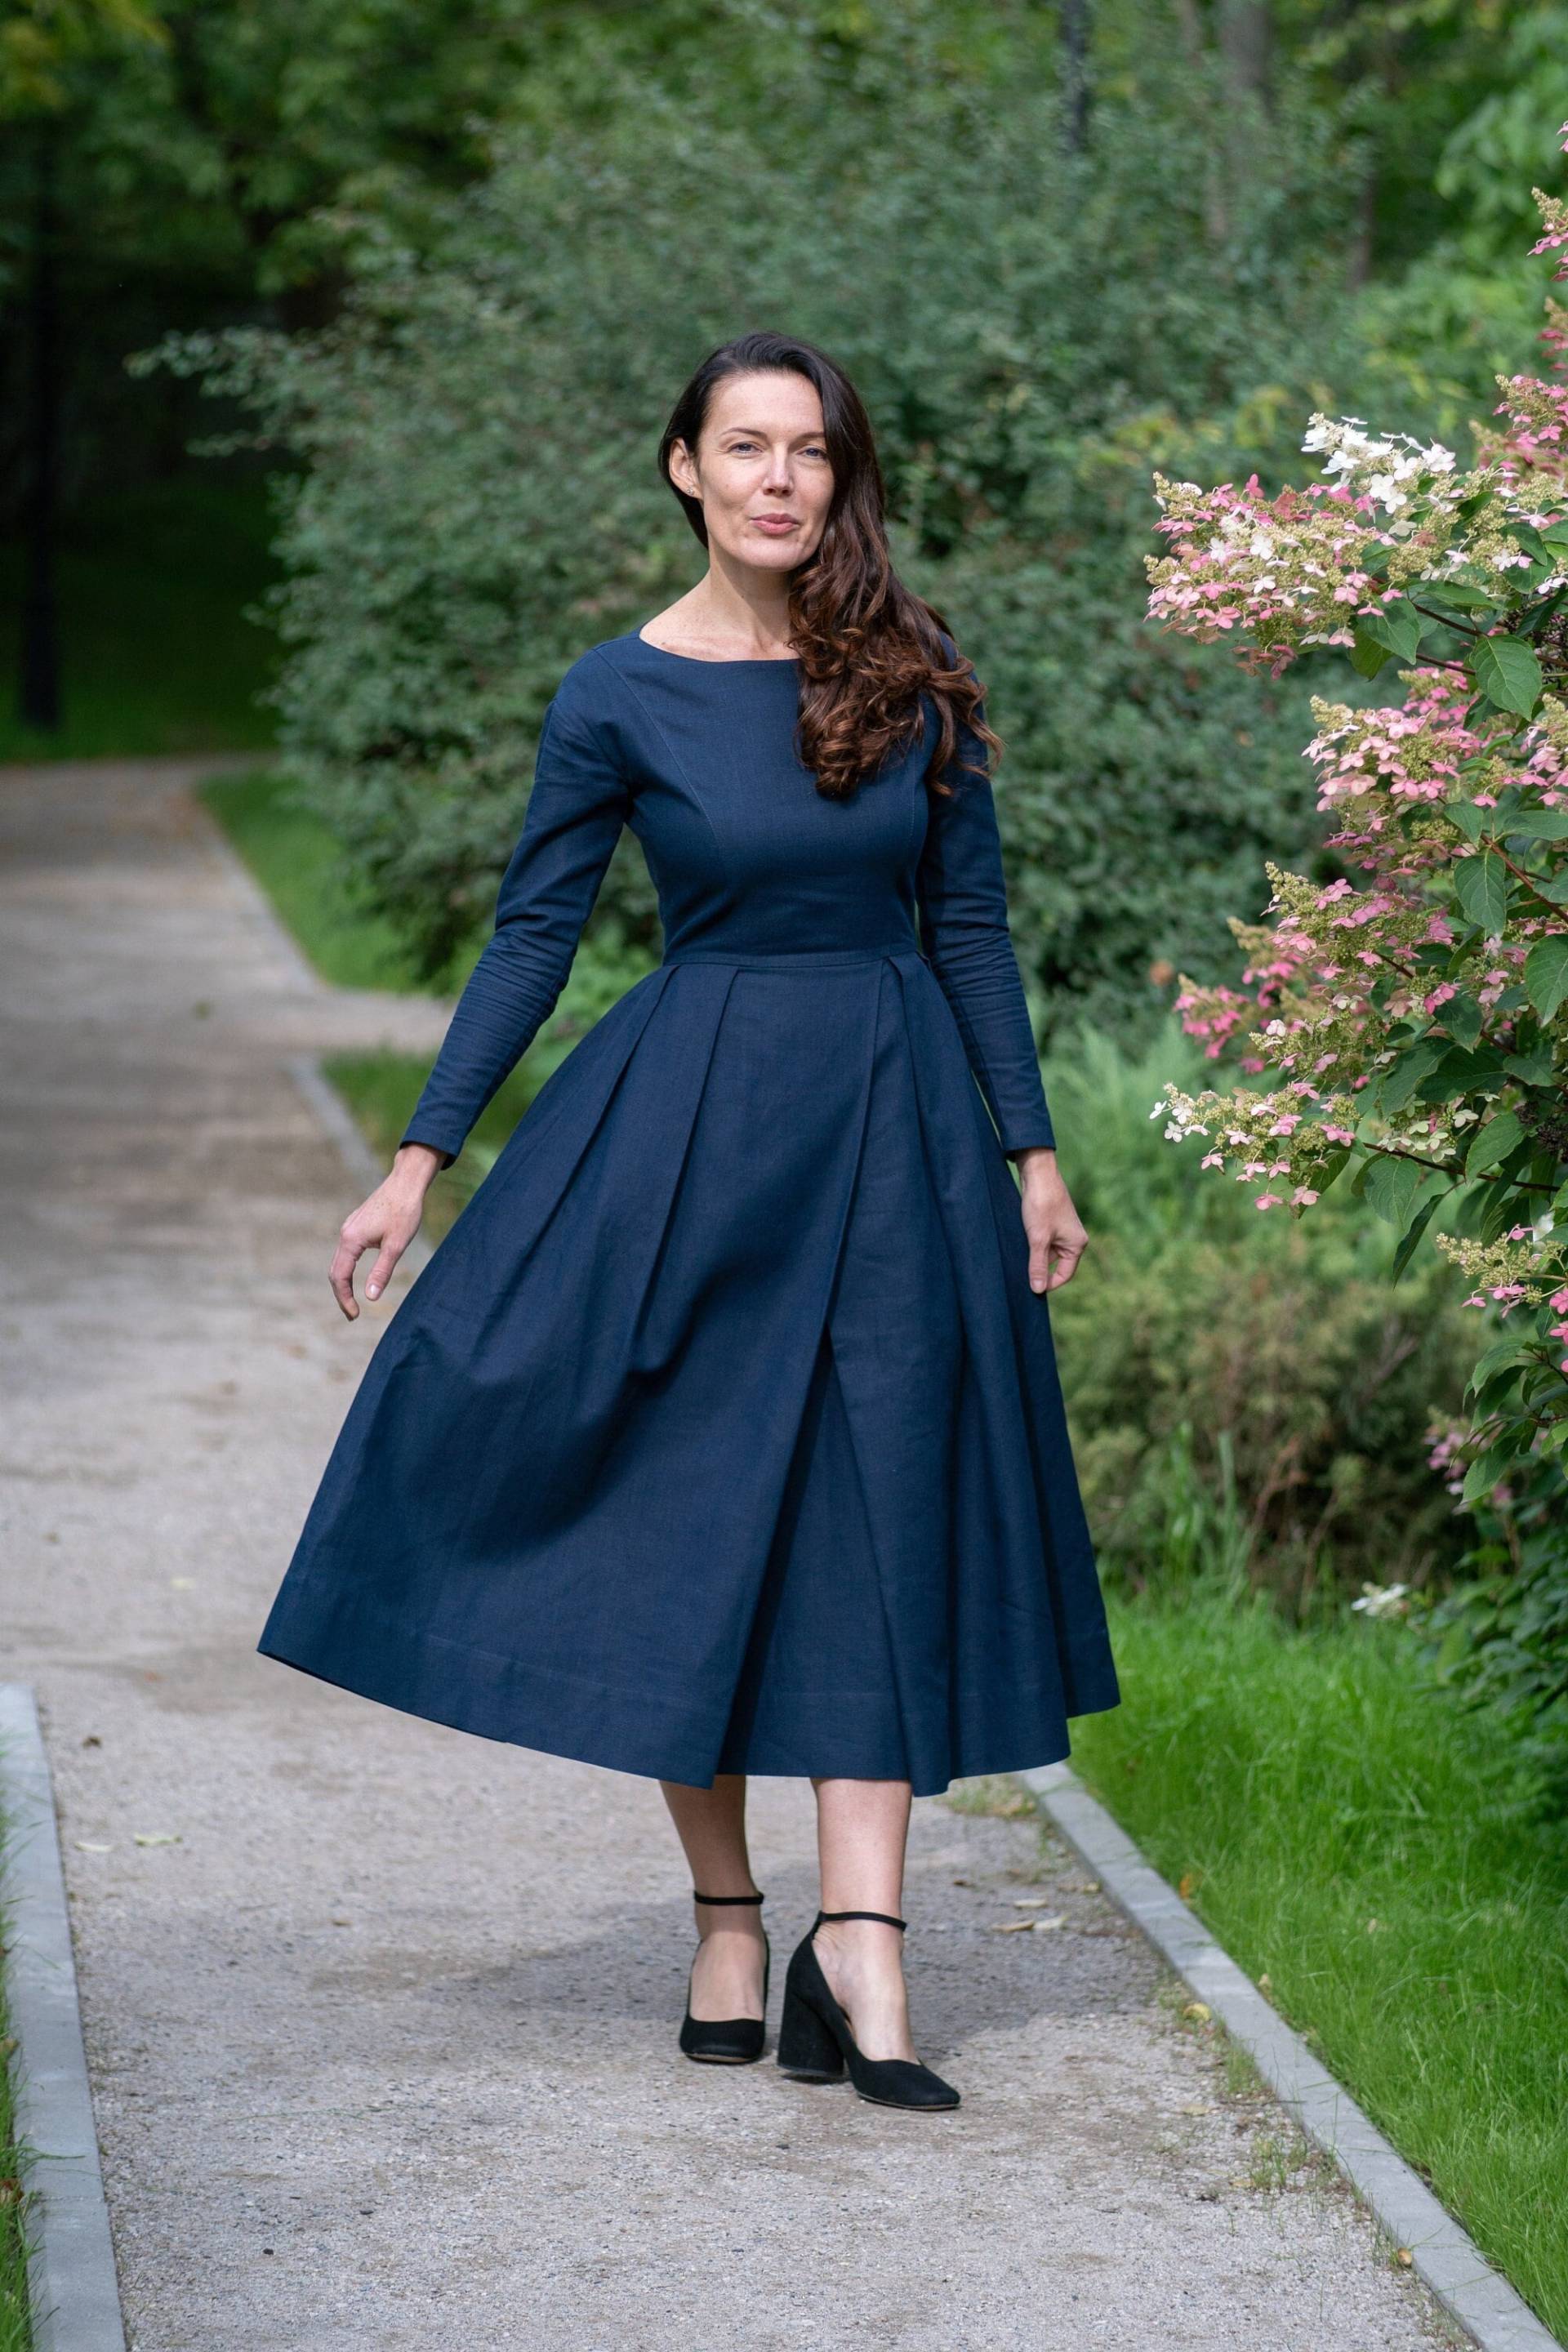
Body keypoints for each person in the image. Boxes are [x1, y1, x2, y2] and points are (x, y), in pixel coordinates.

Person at [258, 329, 1121, 2115]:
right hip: (698, 1131)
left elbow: (968, 926)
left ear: (840, 473)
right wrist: (415, 1162)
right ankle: (733, 1917)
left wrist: (1031, 1153)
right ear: (686, 469)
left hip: (893, 1137)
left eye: (810, 449)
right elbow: (533, 934)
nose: (782, 478)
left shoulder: (914, 671)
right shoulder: (615, 695)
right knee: (689, 1509)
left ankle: (864, 1948)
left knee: (883, 1505)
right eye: (747, 448)